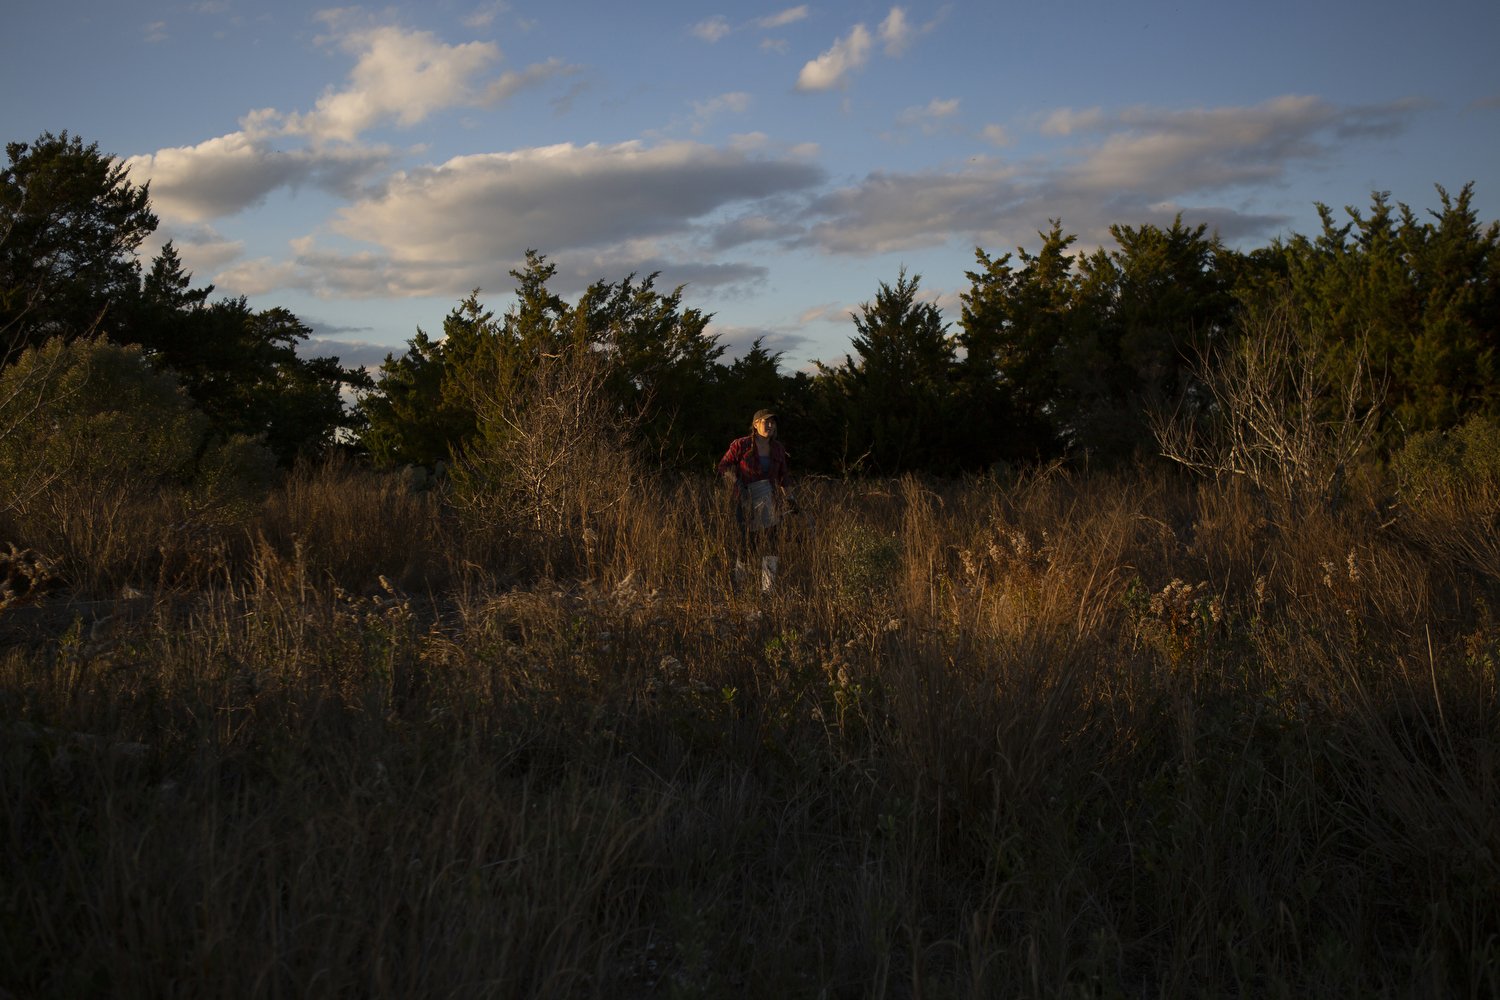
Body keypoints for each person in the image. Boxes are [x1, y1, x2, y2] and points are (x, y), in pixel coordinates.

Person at [717, 408, 797, 593]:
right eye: (765, 421)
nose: (770, 425)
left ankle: (767, 590)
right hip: (746, 499)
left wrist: (790, 499)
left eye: (772, 422)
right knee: (747, 544)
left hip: (770, 499)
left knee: (771, 544)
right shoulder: (741, 445)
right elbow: (723, 466)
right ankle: (739, 588)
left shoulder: (777, 448)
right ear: (755, 424)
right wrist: (737, 482)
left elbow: (784, 476)